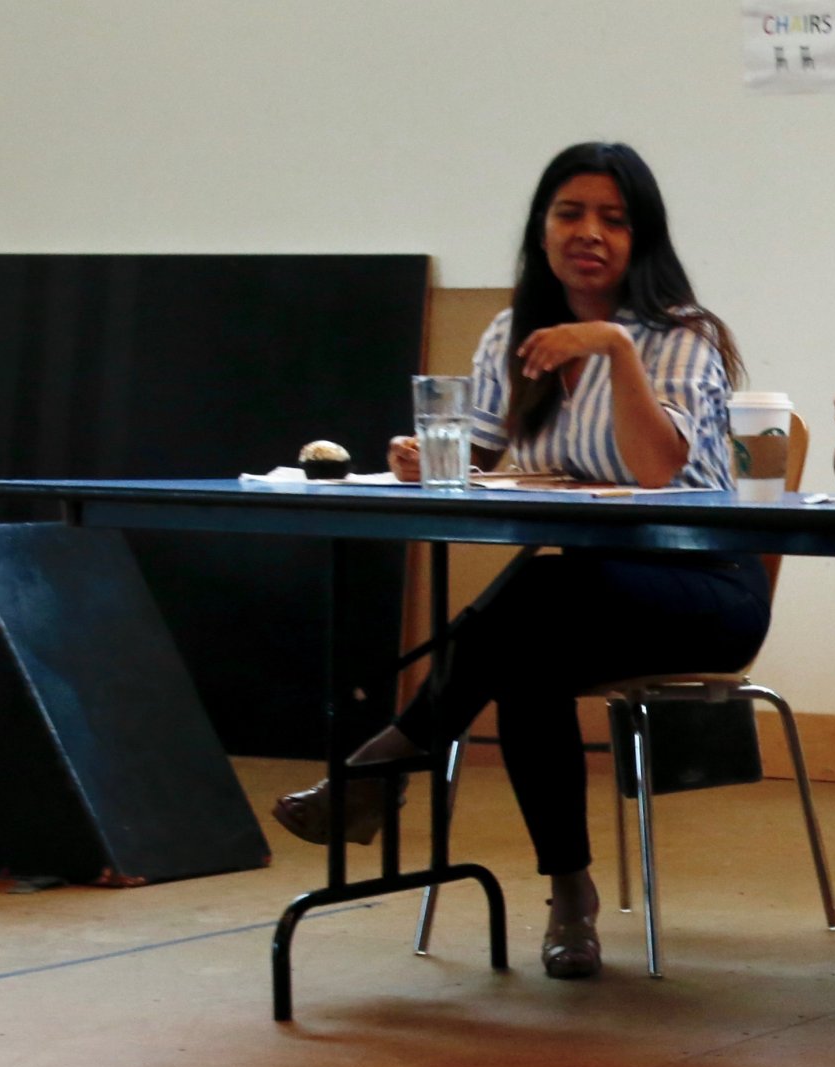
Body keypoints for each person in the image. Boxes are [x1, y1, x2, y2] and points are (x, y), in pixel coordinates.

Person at [268, 142, 765, 980]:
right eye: (570, 213)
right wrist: (430, 459)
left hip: (704, 588)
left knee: (539, 591)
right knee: (528, 655)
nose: (590, 233)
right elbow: (486, 459)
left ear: (644, 238)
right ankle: (570, 900)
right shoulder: (513, 333)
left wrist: (612, 347)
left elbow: (654, 468)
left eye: (614, 218)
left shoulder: (682, 339)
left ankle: (386, 762)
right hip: (581, 596)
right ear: (541, 229)